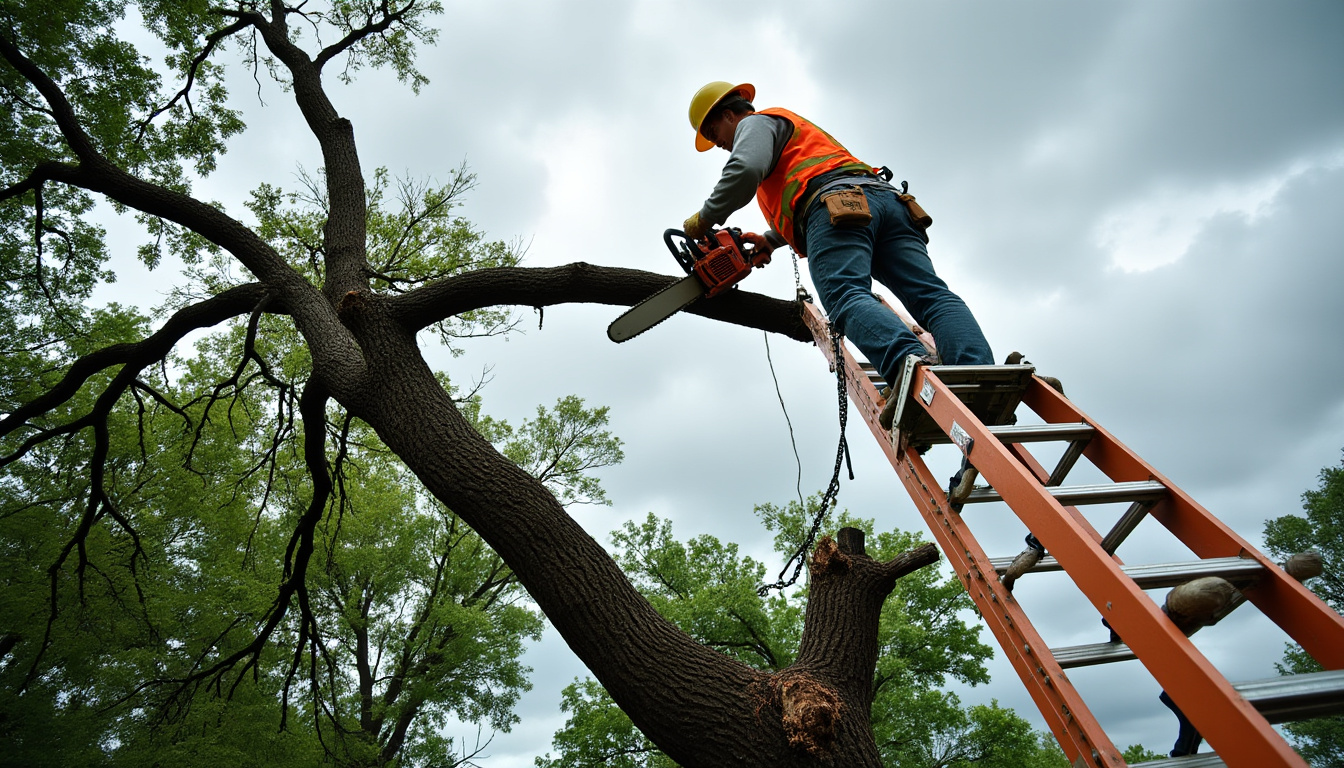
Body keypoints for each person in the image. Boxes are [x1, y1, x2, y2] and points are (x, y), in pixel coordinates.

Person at [682, 81, 994, 428]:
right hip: (885, 203)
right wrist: (771, 240)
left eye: (715, 132)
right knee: (930, 295)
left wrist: (705, 218)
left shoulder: (754, 125)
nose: (720, 144)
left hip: (838, 207)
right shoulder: (791, 131)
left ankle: (913, 369)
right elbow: (814, 180)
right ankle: (976, 372)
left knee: (845, 295)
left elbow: (746, 169)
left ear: (729, 114)